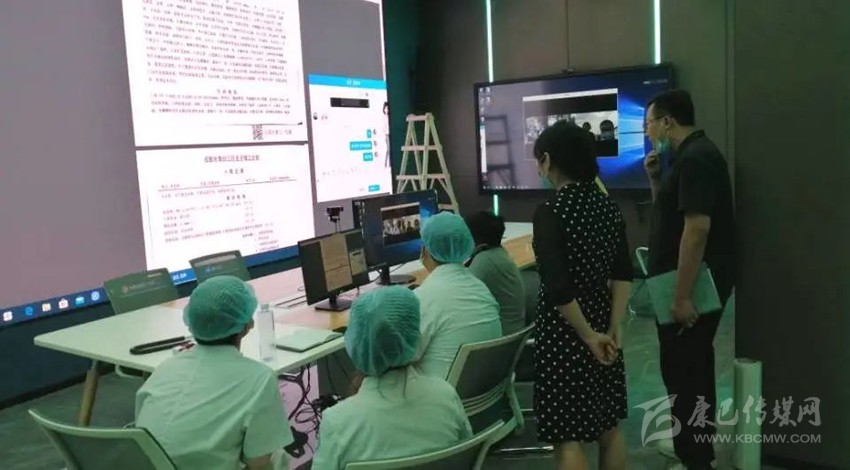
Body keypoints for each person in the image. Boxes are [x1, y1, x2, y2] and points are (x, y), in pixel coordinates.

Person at [532, 121, 633, 470]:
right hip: (604, 323)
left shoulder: (550, 212)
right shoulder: (608, 207)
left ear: (548, 160)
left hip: (564, 332)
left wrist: (588, 336)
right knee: (609, 427)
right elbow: (623, 273)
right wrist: (613, 327)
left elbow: (558, 288)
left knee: (568, 436)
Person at [643, 89, 735, 470]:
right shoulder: (685, 158)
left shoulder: (696, 158)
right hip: (683, 283)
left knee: (686, 370)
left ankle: (695, 457)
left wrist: (682, 297)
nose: (647, 131)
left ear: (668, 121)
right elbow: (671, 217)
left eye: (649, 123)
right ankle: (693, 448)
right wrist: (655, 179)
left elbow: (696, 230)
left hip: (693, 286)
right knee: (687, 366)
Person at [135, 276, 293, 470]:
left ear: (191, 322)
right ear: (247, 326)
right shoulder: (259, 378)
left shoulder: (165, 368)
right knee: (278, 457)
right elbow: (258, 463)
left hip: (143, 464)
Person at [312, 286, 473, 469]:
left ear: (356, 342)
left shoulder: (337, 423)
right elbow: (466, 453)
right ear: (413, 333)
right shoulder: (445, 396)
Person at [414, 211, 502, 379]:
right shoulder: (481, 289)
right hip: (484, 390)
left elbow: (403, 356)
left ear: (425, 250)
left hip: (441, 393)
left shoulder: (424, 297)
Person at [463, 210, 526, 334]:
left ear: (476, 237)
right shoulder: (496, 253)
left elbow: (459, 297)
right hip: (513, 328)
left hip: (502, 335)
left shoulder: (485, 262)